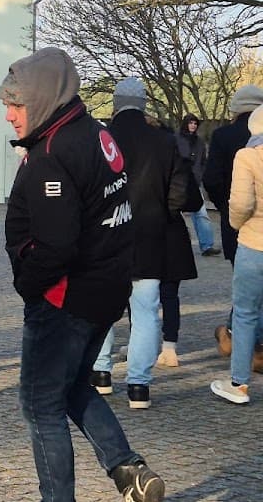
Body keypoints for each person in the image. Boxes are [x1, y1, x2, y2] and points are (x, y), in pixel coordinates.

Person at [0, 48, 164, 502]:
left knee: (40, 404)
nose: (8, 114)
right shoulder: (97, 134)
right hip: (106, 290)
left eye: (16, 103)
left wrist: (29, 285)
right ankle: (131, 473)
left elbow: (56, 245)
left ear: (44, 100)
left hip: (66, 299)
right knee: (71, 387)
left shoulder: (53, 154)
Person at [89, 78, 195, 408]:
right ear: (145, 104)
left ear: (115, 104)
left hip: (105, 236)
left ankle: (102, 373)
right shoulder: (164, 142)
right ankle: (138, 386)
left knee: (102, 307)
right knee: (147, 310)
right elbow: (182, 192)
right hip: (150, 236)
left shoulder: (99, 140)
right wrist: (162, 213)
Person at [203, 84, 263, 357]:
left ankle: (233, 335)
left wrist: (225, 208)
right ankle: (249, 342)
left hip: (236, 222)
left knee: (244, 287)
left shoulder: (223, 136)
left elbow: (211, 179)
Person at [212, 105, 263, 404]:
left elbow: (241, 203)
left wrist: (235, 225)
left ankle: (239, 384)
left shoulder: (248, 156)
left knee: (245, 313)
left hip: (254, 244)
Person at [176, 113, 217, 255]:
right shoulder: (176, 139)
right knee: (176, 213)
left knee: (201, 214)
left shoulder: (199, 142)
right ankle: (178, 245)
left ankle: (206, 245)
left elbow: (203, 161)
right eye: (190, 123)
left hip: (194, 181)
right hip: (179, 181)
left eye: (195, 123)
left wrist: (200, 174)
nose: (193, 125)